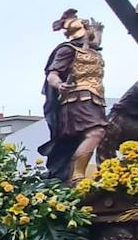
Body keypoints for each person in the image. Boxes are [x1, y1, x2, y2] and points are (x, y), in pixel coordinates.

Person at [39, 9, 108, 183]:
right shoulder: (67, 50)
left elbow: (95, 43)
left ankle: (71, 174)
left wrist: (99, 31)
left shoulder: (93, 52)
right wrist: (60, 84)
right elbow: (52, 75)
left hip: (96, 99)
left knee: (92, 136)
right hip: (77, 99)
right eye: (90, 29)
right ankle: (77, 177)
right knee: (96, 132)